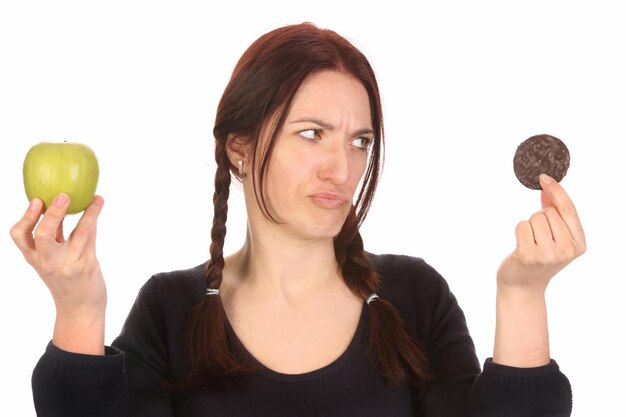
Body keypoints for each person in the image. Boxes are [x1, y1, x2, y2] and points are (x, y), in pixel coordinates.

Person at [10, 22, 586, 417]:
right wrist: (78, 308)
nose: (342, 167)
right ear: (239, 148)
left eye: (360, 140)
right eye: (312, 134)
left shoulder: (414, 296)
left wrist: (523, 293)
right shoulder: (171, 308)